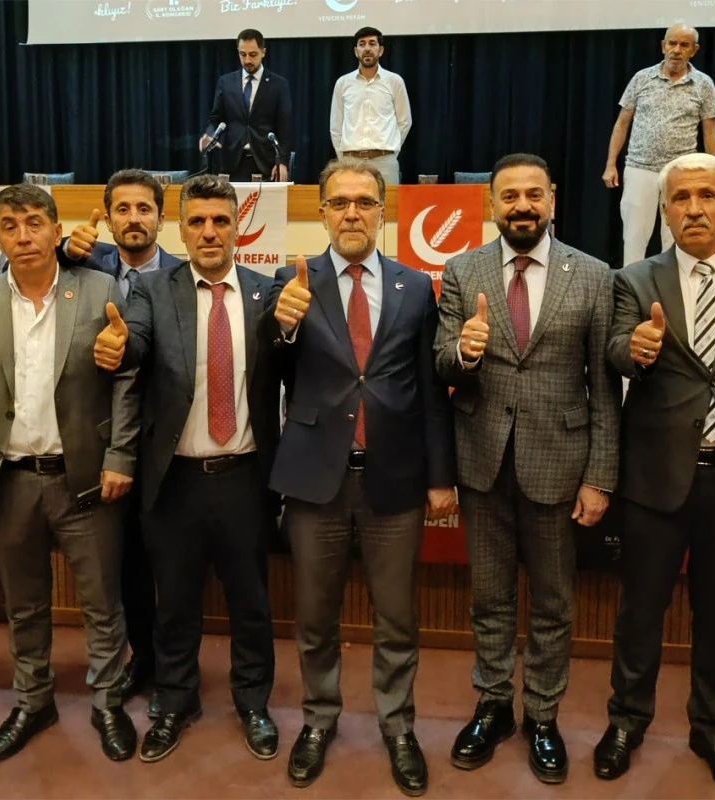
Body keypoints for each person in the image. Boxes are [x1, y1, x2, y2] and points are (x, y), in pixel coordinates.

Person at [264, 158, 457, 796]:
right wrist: (283, 326)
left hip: (394, 481)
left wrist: (440, 476)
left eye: (364, 203)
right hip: (315, 479)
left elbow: (430, 391)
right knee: (315, 617)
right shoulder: (292, 282)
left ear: (381, 212)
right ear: (322, 213)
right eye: (339, 202)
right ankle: (318, 719)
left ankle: (398, 727)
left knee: (396, 617)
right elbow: (271, 368)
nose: (352, 213)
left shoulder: (415, 287)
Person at [598, 153, 715, 800]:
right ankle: (626, 721)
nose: (695, 208)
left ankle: (712, 730)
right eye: (681, 198)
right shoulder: (634, 279)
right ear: (665, 209)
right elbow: (614, 348)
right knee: (639, 612)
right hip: (654, 479)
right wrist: (635, 351)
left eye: (707, 195)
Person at [434, 153, 620, 785]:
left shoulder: (593, 275)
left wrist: (600, 477)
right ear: (492, 203)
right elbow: (441, 360)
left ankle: (542, 715)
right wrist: (464, 351)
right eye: (509, 195)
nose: (522, 206)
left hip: (560, 466)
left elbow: (604, 388)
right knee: (488, 598)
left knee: (553, 603)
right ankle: (493, 706)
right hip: (481, 463)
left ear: (552, 199)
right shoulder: (462, 271)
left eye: (533, 195)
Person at [0, 184, 136, 764]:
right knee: (23, 605)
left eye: (33, 223)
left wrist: (120, 457)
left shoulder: (99, 289)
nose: (23, 236)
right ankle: (33, 700)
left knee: (102, 602)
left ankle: (107, 701)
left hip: (85, 477)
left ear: (54, 229)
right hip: (9, 479)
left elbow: (124, 377)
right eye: (9, 225)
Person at [92, 175, 280, 765]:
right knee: (174, 604)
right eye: (197, 221)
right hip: (173, 481)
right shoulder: (153, 291)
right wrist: (119, 346)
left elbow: (291, 354)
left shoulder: (266, 291)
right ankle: (175, 702)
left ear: (238, 227)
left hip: (245, 476)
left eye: (220, 220)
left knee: (251, 602)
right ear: (181, 228)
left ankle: (253, 702)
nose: (209, 232)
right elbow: (136, 343)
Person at [59, 168, 184, 716]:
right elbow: (23, 274)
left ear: (162, 217)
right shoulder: (84, 267)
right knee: (126, 565)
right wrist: (62, 250)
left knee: (171, 567)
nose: (134, 219)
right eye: (123, 210)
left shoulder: (183, 276)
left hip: (169, 448)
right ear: (108, 218)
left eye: (144, 209)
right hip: (105, 447)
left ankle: (174, 665)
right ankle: (144, 659)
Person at [603, 24, 715, 266]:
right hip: (640, 167)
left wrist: (714, 172)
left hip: (681, 172)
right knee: (634, 235)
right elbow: (622, 123)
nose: (676, 50)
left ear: (694, 50)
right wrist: (610, 164)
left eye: (684, 45)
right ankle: (632, 283)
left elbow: (710, 131)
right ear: (663, 46)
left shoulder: (703, 84)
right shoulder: (642, 78)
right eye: (672, 43)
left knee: (677, 234)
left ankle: (676, 283)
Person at [200, 30, 293, 182]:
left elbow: (285, 128)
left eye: (253, 54)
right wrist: (210, 134)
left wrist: (282, 162)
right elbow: (216, 119)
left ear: (263, 52)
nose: (247, 60)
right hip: (231, 162)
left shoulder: (279, 85)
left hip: (266, 163)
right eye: (242, 54)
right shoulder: (226, 82)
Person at [330, 27, 412, 186]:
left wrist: (390, 152)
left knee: (387, 202)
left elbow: (404, 121)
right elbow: (336, 126)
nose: (367, 48)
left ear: (380, 50)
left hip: (384, 162)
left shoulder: (394, 81)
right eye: (362, 44)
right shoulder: (343, 83)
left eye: (372, 44)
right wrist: (343, 158)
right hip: (350, 163)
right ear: (356, 51)